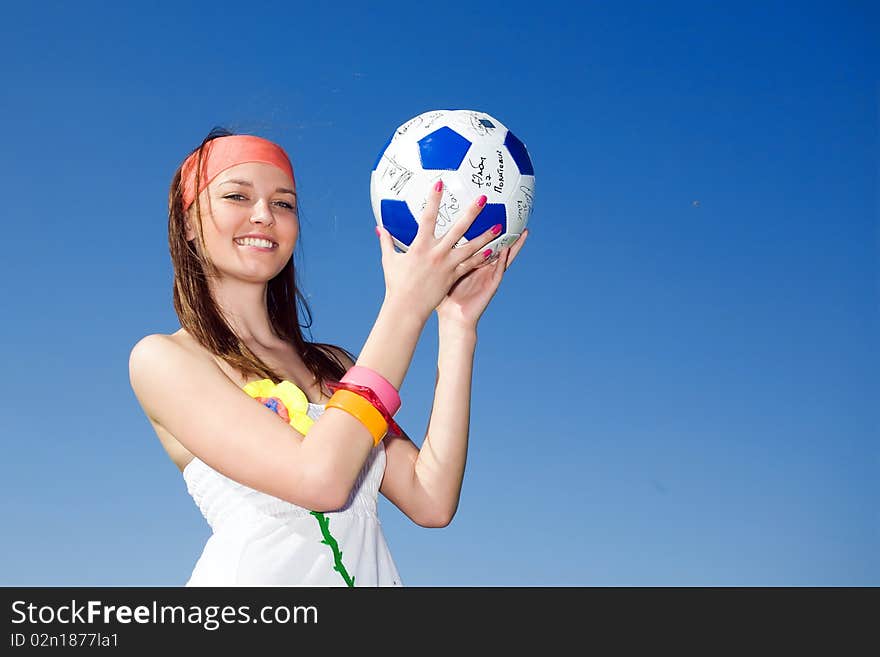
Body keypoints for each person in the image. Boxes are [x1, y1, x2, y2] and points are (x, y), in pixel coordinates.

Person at [128, 127, 529, 586]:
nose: (263, 215)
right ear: (187, 226)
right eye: (237, 196)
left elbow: (430, 498)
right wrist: (405, 305)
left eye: (283, 203)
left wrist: (457, 325)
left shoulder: (334, 366)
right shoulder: (164, 360)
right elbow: (320, 480)